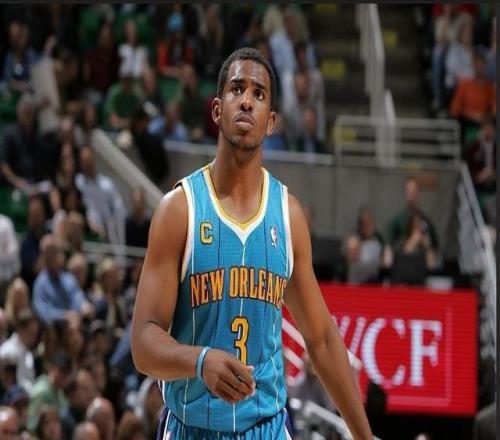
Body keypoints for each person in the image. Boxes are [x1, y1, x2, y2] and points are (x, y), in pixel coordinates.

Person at [130, 47, 372, 439]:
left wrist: (364, 435)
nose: (247, 101)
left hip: (266, 428)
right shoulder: (179, 210)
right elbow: (143, 343)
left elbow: (322, 340)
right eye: (237, 89)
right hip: (191, 427)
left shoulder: (288, 216)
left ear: (271, 121)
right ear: (217, 110)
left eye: (259, 94)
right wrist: (200, 361)